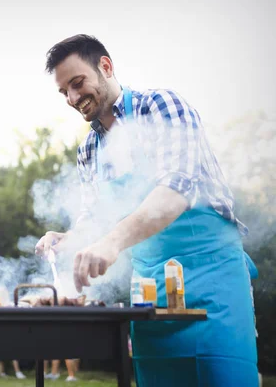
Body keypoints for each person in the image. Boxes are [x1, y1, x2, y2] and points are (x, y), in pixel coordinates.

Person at [35, 34, 258, 386]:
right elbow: (95, 220)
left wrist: (111, 242)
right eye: (64, 92)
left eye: (77, 83)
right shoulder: (89, 150)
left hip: (211, 277)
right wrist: (71, 238)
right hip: (149, 293)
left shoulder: (162, 106)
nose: (73, 98)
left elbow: (176, 191)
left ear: (105, 67)